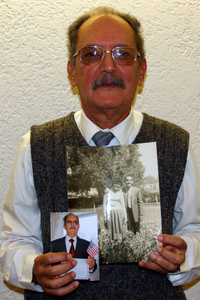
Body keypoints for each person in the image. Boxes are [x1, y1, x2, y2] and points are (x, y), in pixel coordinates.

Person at [0, 6, 200, 300]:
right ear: (72, 70)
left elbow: (194, 229)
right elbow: (14, 240)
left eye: (123, 54)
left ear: (141, 70)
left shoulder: (174, 143)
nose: (108, 67)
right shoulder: (36, 145)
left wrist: (185, 255)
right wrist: (32, 269)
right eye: (92, 54)